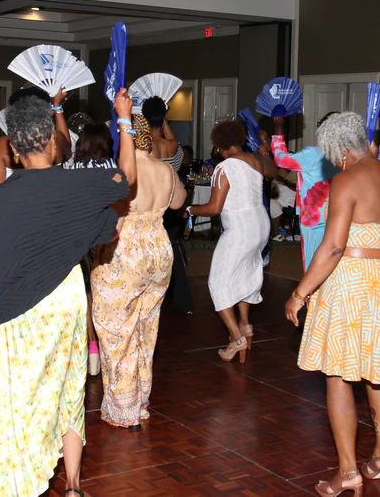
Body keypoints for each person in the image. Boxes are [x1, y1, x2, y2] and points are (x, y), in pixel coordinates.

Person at [0, 89, 136, 497]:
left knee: (18, 399)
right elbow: (127, 177)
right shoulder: (80, 183)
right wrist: (123, 119)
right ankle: (73, 486)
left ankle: (20, 482)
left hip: (19, 310)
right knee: (69, 388)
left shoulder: (1, 198)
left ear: (14, 151)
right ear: (54, 142)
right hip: (67, 300)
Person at [286, 112, 380, 496]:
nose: (333, 161)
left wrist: (300, 293)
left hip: (353, 283)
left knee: (338, 375)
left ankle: (347, 473)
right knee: (379, 373)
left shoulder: (347, 179)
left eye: (332, 154)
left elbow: (333, 247)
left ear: (343, 148)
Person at [92, 114, 186, 428]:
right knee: (147, 326)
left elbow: (113, 221)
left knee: (116, 329)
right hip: (159, 251)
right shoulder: (166, 169)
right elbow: (178, 203)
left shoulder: (120, 173)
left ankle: (125, 407)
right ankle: (142, 397)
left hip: (125, 253)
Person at [187, 119, 276, 361]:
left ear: (219, 146)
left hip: (240, 228)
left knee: (217, 282)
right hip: (260, 224)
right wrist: (264, 150)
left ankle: (236, 338)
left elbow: (214, 208)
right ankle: (245, 325)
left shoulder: (225, 167)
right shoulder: (255, 160)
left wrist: (191, 210)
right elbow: (273, 171)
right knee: (245, 274)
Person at [64, 123, 118, 375]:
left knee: (86, 292)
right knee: (106, 291)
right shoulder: (112, 167)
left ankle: (91, 346)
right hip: (106, 233)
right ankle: (107, 346)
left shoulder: (72, 169)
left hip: (79, 234)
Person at [271, 113, 340, 271]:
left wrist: (278, 128)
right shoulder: (346, 155)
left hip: (314, 219)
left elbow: (281, 159)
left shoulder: (314, 154)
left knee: (313, 265)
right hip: (340, 216)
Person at [0, 88, 72, 190]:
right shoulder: (53, 138)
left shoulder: (3, 143)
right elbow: (68, 146)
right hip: (53, 196)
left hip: (17, 198)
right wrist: (57, 106)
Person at [141, 96, 183, 170]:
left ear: (145, 119)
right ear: (163, 120)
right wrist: (162, 115)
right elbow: (172, 139)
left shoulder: (143, 145)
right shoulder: (173, 145)